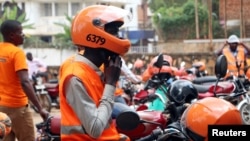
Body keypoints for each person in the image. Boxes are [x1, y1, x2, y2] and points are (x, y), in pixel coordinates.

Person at [59, 5, 131, 141]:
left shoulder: (98, 68)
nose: (119, 37)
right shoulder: (75, 76)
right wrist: (110, 83)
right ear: (95, 36)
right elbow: (95, 129)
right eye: (114, 32)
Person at [0, 20, 49, 141]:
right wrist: (40, 108)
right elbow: (25, 82)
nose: (23, 35)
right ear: (12, 35)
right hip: (18, 107)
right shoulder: (17, 53)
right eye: (20, 32)